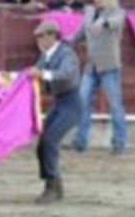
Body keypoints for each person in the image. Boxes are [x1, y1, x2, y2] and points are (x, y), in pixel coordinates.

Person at [69, 0, 127, 155]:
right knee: (82, 102)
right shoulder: (89, 13)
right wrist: (64, 43)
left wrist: (104, 22)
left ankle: (119, 142)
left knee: (115, 105)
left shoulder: (117, 12)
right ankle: (80, 141)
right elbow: (79, 33)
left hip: (109, 65)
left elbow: (114, 22)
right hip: (91, 66)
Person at [29, 21, 81, 204]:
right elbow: (34, 73)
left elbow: (65, 74)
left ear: (52, 36)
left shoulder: (67, 54)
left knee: (50, 141)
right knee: (43, 144)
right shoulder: (46, 55)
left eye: (41, 36)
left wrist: (42, 74)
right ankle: (54, 186)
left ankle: (51, 188)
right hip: (59, 103)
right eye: (37, 37)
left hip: (72, 104)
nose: (38, 40)